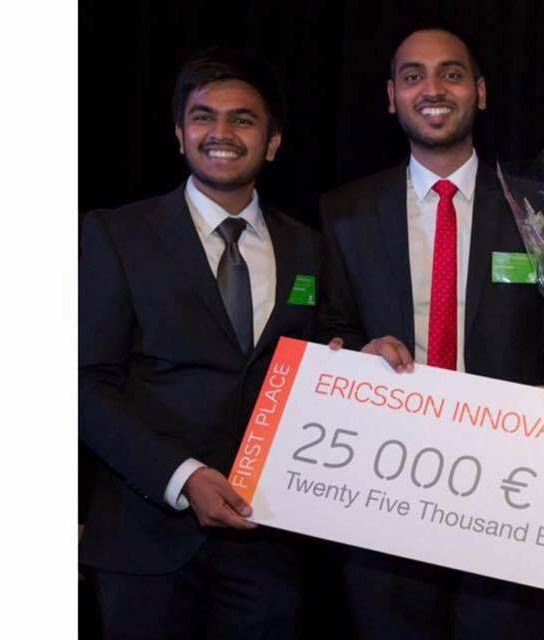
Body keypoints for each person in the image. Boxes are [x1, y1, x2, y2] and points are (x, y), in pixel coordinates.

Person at [317, 26, 544, 640]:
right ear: (391, 97)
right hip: (385, 487)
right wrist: (356, 354)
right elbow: (329, 328)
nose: (432, 89)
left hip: (512, 493)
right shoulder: (345, 210)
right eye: (413, 77)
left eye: (451, 74)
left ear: (479, 92)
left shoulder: (540, 207)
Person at [79, 47, 320, 639]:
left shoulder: (311, 249)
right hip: (144, 542)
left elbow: (320, 364)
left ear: (272, 142)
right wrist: (182, 476)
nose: (221, 133)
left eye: (243, 119)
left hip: (269, 548)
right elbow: (82, 384)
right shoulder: (116, 235)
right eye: (203, 116)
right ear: (179, 134)